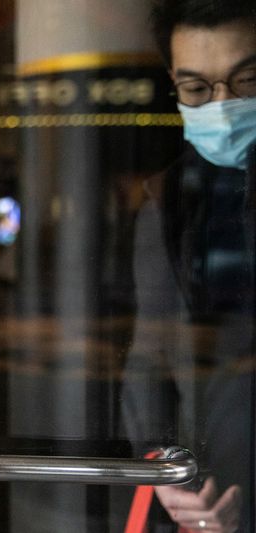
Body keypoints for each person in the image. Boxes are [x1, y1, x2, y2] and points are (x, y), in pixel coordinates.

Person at [122, 1, 256, 531]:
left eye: (247, 80)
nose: (222, 107)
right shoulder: (167, 200)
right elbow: (148, 358)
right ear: (173, 82)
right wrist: (166, 473)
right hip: (218, 496)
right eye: (198, 89)